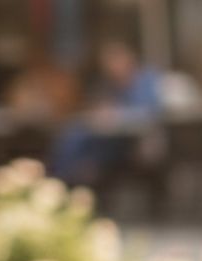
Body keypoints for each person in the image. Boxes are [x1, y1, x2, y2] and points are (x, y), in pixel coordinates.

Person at [48, 41, 162, 186]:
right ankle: (60, 179)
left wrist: (117, 115)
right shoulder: (112, 84)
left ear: (128, 59)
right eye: (108, 66)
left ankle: (62, 181)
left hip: (137, 142)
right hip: (112, 138)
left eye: (114, 63)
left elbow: (148, 114)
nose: (111, 70)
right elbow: (103, 106)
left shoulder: (146, 80)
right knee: (73, 134)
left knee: (81, 139)